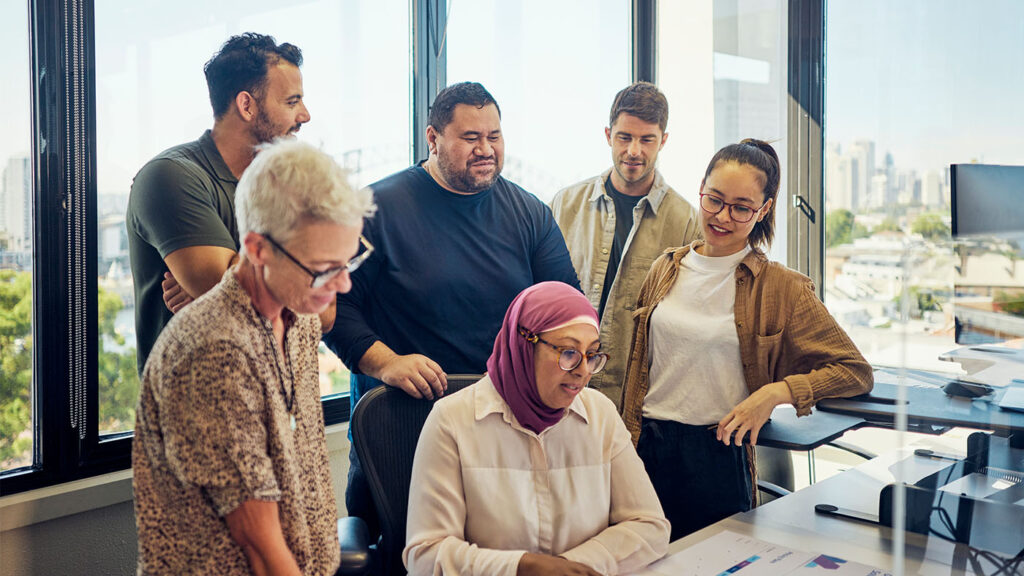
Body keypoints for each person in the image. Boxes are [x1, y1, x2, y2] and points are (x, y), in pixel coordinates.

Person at [323, 81, 581, 537]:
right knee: (405, 549)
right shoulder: (374, 209)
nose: (486, 149)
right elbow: (332, 304)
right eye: (470, 138)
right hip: (404, 418)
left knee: (491, 548)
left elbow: (566, 308)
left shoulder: (530, 213)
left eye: (494, 136)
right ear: (433, 137)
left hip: (502, 420)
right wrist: (386, 362)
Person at [132, 139, 376, 575]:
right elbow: (259, 547)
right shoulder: (213, 353)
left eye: (349, 263)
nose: (342, 286)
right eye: (323, 269)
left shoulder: (296, 318)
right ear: (258, 249)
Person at [620, 139, 874, 540]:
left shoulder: (781, 287)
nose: (722, 217)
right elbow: (640, 370)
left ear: (764, 210)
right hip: (644, 449)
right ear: (701, 188)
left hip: (718, 455)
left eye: (741, 208)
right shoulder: (664, 268)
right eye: (714, 200)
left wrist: (774, 394)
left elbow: (854, 372)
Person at [404, 281, 670, 576]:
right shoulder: (452, 420)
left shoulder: (600, 413)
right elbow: (425, 556)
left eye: (592, 355)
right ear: (523, 345)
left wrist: (569, 567)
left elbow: (650, 526)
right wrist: (520, 568)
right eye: (569, 352)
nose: (583, 370)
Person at [127, 32, 311, 374]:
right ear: (246, 105)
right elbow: (249, 298)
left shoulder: (281, 184)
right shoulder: (170, 177)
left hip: (268, 398)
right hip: (191, 408)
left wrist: (225, 289)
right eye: (292, 101)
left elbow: (326, 310)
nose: (305, 115)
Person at [551, 82, 700, 407]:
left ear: (664, 140)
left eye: (647, 139)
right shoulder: (566, 204)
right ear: (608, 135)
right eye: (624, 137)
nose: (634, 151)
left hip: (636, 397)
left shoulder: (686, 220)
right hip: (561, 382)